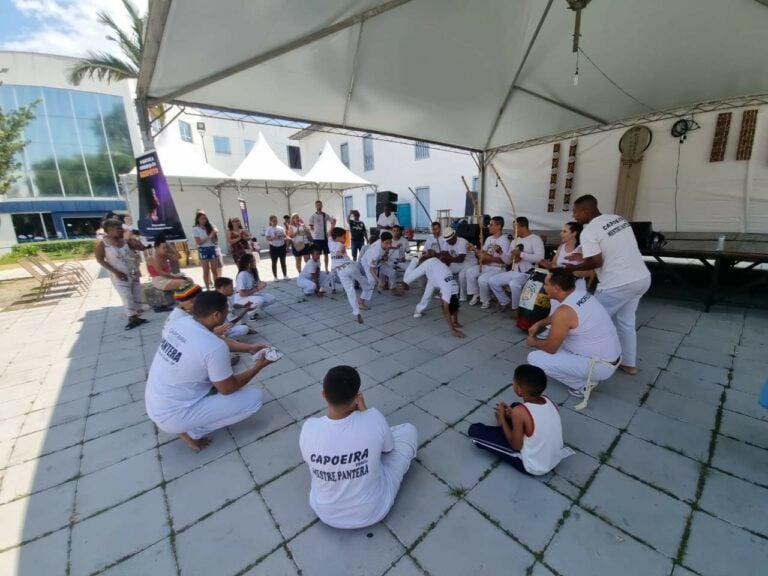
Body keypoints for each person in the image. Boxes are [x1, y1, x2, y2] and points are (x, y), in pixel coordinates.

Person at [145, 291, 278, 452]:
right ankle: (193, 431)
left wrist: (249, 348)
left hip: (155, 403)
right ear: (216, 315)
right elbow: (228, 388)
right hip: (172, 416)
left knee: (214, 377)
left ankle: (189, 422)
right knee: (253, 398)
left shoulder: (182, 323)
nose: (227, 315)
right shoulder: (214, 348)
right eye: (225, 312)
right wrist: (258, 366)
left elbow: (215, 339)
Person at [299, 365, 417, 529]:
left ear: (323, 395)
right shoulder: (373, 418)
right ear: (357, 397)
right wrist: (366, 413)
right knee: (408, 430)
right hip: (373, 510)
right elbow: (388, 450)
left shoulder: (309, 427)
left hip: (325, 512)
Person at [563, 194, 651, 375]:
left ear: (586, 211)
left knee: (588, 321)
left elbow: (596, 262)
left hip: (617, 283)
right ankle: (629, 363)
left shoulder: (588, 231)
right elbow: (612, 250)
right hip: (641, 278)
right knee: (626, 322)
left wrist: (571, 268)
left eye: (575, 212)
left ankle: (581, 360)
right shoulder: (618, 219)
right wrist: (583, 257)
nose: (574, 216)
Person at [526, 268, 622, 397]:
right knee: (558, 340)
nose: (544, 287)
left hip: (601, 366)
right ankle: (585, 375)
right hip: (610, 357)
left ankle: (583, 385)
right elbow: (563, 317)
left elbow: (551, 348)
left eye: (546, 284)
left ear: (556, 288)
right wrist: (541, 323)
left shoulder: (564, 312)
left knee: (535, 358)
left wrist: (533, 342)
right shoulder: (581, 294)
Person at [467, 364, 570, 475]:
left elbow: (516, 446)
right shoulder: (549, 401)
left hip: (535, 466)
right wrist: (513, 415)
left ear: (520, 389)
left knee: (474, 430)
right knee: (515, 406)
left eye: (514, 383)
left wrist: (502, 418)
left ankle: (502, 426)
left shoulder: (519, 412)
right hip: (553, 457)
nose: (513, 384)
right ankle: (506, 425)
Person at [95, 219, 147, 330]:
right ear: (108, 231)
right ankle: (131, 318)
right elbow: (100, 259)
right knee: (126, 295)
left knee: (136, 293)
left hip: (133, 272)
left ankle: (137, 316)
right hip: (119, 274)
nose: (121, 230)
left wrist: (135, 239)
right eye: (118, 228)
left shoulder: (125, 241)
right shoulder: (103, 244)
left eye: (121, 227)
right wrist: (115, 272)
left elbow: (142, 247)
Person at [487, 216, 545, 314]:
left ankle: (516, 309)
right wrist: (500, 252)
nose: (513, 230)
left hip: (529, 273)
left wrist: (521, 254)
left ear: (523, 227)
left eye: (515, 227)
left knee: (514, 284)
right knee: (492, 281)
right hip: (514, 271)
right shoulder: (514, 241)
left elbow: (540, 258)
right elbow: (508, 261)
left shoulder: (535, 239)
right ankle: (505, 301)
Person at [404, 254, 464, 338]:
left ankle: (418, 310)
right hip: (430, 264)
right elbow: (446, 311)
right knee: (406, 280)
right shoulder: (448, 291)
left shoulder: (455, 290)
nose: (440, 300)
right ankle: (415, 259)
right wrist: (452, 329)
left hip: (437, 273)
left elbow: (455, 306)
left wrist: (456, 322)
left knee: (428, 294)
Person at [539, 221, 589, 315]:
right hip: (559, 285)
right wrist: (549, 266)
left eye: (564, 231)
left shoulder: (581, 249)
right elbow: (554, 264)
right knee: (555, 309)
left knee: (573, 311)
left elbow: (588, 272)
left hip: (576, 285)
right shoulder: (561, 247)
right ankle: (553, 327)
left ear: (574, 233)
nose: (561, 233)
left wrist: (570, 269)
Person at [329, 227, 372, 324]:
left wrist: (332, 224)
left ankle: (357, 313)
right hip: (349, 267)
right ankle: (365, 293)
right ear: (338, 237)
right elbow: (340, 251)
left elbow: (330, 234)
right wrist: (341, 252)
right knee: (365, 284)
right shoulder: (341, 245)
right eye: (344, 237)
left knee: (350, 292)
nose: (345, 239)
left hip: (340, 271)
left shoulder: (330, 242)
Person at [465, 216, 511, 308]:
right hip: (486, 266)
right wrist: (474, 249)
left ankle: (485, 300)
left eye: (491, 225)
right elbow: (483, 253)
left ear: (499, 226)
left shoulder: (504, 240)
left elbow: (505, 261)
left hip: (498, 268)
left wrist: (488, 258)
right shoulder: (489, 238)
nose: (489, 226)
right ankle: (476, 294)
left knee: (482, 279)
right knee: (470, 271)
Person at [440, 229, 475, 300]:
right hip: (457, 262)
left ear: (454, 236)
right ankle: (446, 292)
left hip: (469, 263)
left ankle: (463, 296)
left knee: (461, 276)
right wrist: (445, 259)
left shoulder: (462, 242)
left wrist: (448, 258)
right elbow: (443, 255)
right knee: (444, 271)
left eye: (449, 239)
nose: (448, 241)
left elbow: (460, 259)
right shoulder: (447, 242)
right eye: (446, 240)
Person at [192, 211, 221, 291]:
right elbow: (198, 242)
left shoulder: (210, 226)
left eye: (205, 219)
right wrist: (209, 236)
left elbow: (215, 240)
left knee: (214, 270)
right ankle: (207, 288)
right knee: (206, 270)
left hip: (212, 248)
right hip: (203, 249)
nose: (204, 220)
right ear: (198, 219)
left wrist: (214, 234)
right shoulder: (195, 229)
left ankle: (217, 287)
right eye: (201, 219)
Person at [309, 200, 335, 272]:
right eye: (317, 205)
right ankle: (318, 268)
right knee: (317, 254)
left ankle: (326, 269)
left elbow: (332, 222)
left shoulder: (325, 215)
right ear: (315, 206)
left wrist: (329, 230)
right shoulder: (312, 216)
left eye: (320, 205)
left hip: (325, 238)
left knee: (326, 254)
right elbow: (311, 227)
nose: (318, 206)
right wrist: (314, 233)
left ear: (322, 206)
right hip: (317, 239)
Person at [265, 215, 288, 281]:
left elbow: (285, 236)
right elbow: (267, 238)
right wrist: (274, 237)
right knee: (274, 262)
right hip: (273, 247)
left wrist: (283, 236)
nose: (275, 222)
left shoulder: (280, 227)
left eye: (276, 220)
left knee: (283, 261)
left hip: (282, 246)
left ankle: (285, 275)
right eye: (274, 221)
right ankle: (275, 277)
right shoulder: (269, 229)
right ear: (270, 221)